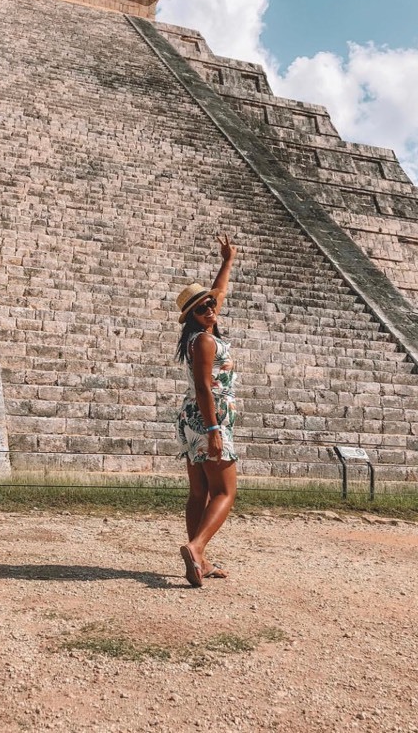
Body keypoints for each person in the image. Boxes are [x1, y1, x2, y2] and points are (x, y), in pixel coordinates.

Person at [175, 234, 238, 588]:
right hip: (208, 418)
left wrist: (227, 261)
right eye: (201, 308)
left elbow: (219, 292)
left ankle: (200, 561)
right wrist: (215, 432)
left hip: (193, 419)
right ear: (192, 316)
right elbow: (203, 388)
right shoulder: (206, 340)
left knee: (199, 492)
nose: (210, 308)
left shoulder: (201, 334)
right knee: (226, 492)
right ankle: (197, 547)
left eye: (211, 304)